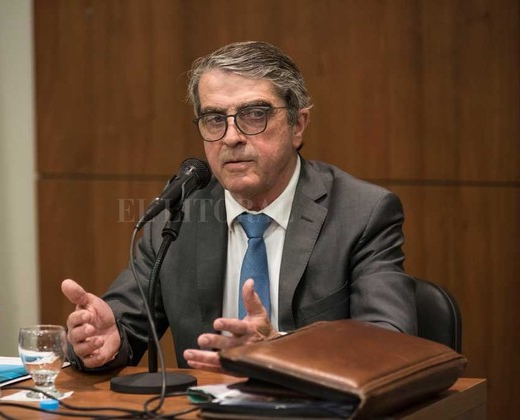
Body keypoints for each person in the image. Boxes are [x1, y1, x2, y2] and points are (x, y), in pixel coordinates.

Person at [61, 41, 416, 373]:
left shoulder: (361, 213)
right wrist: (99, 341)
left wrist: (282, 350)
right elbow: (120, 327)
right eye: (215, 119)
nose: (231, 137)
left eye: (255, 114)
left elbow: (390, 343)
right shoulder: (177, 216)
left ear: (297, 125)